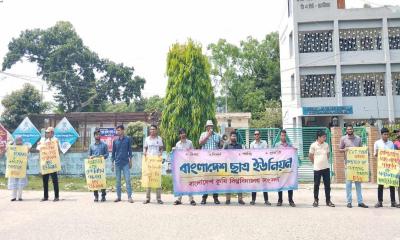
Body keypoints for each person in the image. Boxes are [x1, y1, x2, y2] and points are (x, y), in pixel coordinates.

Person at [339, 124, 368, 208]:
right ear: (346, 130)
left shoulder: (358, 138)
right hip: (348, 164)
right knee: (348, 184)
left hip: (357, 165)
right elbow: (339, 149)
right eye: (348, 129)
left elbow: (361, 150)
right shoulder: (343, 139)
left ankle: (360, 202)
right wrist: (345, 149)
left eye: (351, 129)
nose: (350, 130)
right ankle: (349, 202)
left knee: (358, 184)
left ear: (353, 130)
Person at [373, 128, 399, 208]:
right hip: (381, 167)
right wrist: (377, 153)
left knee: (392, 184)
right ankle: (380, 202)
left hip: (390, 167)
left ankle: (393, 202)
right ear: (381, 135)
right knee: (380, 185)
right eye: (385, 134)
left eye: (387, 134)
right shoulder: (377, 143)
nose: (386, 136)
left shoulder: (391, 143)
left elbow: (394, 154)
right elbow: (375, 154)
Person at [309, 130, 335, 207]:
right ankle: (316, 200)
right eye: (323, 137)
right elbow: (310, 156)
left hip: (326, 168)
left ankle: (328, 201)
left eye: (325, 136)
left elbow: (328, 154)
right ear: (319, 137)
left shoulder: (326, 144)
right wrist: (315, 163)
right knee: (316, 185)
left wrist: (323, 161)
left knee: (327, 185)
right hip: (317, 169)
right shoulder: (313, 145)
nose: (325, 138)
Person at [199, 120, 223, 205]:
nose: (210, 127)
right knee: (206, 180)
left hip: (215, 161)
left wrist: (222, 142)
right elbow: (200, 143)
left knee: (215, 180)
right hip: (206, 161)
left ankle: (215, 198)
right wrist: (207, 136)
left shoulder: (217, 135)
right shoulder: (203, 134)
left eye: (211, 126)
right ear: (206, 127)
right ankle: (204, 198)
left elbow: (220, 146)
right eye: (209, 126)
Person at [173, 128, 196, 206]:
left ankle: (191, 199)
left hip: (188, 165)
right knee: (180, 182)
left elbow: (193, 153)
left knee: (189, 182)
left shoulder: (190, 143)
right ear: (179, 135)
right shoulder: (177, 144)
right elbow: (176, 154)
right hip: (180, 165)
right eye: (181, 133)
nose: (183, 134)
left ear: (185, 134)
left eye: (184, 133)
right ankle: (179, 199)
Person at [111, 125, 134, 203]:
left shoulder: (127, 139)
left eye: (119, 130)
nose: (118, 132)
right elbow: (113, 153)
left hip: (125, 163)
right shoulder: (115, 141)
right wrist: (112, 163)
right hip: (117, 163)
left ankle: (129, 197)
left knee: (127, 180)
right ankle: (118, 197)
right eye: (117, 130)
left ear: (123, 131)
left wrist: (130, 161)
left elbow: (130, 151)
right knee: (118, 181)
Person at [37, 127, 60, 202]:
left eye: (48, 132)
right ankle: (45, 196)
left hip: (53, 163)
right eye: (46, 132)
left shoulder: (55, 140)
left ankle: (56, 196)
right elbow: (39, 150)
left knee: (55, 180)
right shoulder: (44, 141)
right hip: (46, 163)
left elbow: (58, 150)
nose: (47, 133)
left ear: (52, 133)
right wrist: (39, 145)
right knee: (45, 180)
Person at [274, 130, 296, 207]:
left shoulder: (289, 145)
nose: (283, 137)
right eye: (282, 135)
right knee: (280, 184)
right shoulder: (277, 145)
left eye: (284, 135)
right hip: (280, 167)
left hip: (288, 168)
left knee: (290, 184)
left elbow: (294, 153)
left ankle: (291, 200)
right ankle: (280, 200)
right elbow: (274, 155)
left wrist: (294, 150)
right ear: (280, 136)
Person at [143, 125, 164, 204]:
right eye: (151, 129)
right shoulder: (147, 139)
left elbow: (161, 148)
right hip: (149, 162)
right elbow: (145, 147)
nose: (152, 131)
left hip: (156, 162)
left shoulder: (159, 139)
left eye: (154, 129)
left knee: (157, 179)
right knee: (149, 179)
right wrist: (144, 152)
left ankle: (158, 198)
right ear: (149, 131)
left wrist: (160, 153)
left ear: (156, 130)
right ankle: (147, 198)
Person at [249, 130, 271, 206]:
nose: (256, 135)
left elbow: (265, 152)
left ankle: (266, 200)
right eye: (255, 134)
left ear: (260, 135)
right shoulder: (252, 144)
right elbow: (251, 154)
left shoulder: (264, 143)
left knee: (264, 183)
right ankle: (253, 200)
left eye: (258, 134)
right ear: (254, 135)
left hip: (263, 166)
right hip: (255, 166)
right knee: (254, 183)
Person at [224, 131, 245, 205]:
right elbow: (224, 156)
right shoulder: (226, 145)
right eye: (232, 136)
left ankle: (240, 199)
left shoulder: (239, 146)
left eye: (235, 136)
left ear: (236, 137)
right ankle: (228, 199)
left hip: (237, 167)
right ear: (230, 137)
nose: (234, 137)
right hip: (229, 167)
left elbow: (242, 156)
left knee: (238, 184)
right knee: (228, 184)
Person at [88, 128, 109, 202]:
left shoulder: (104, 145)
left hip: (101, 166)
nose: (98, 136)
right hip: (94, 167)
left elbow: (107, 154)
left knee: (102, 180)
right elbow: (89, 156)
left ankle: (103, 196)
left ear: (100, 135)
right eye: (96, 134)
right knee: (95, 181)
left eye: (99, 134)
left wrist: (102, 156)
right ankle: (96, 196)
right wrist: (90, 157)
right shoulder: (91, 146)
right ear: (94, 136)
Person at [7, 136, 29, 201]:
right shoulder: (11, 147)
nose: (19, 144)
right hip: (13, 167)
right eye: (18, 142)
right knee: (13, 182)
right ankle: (13, 197)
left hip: (21, 168)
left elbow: (27, 157)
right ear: (15, 142)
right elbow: (8, 155)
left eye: (20, 142)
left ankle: (19, 197)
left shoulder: (24, 147)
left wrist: (28, 151)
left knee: (20, 182)